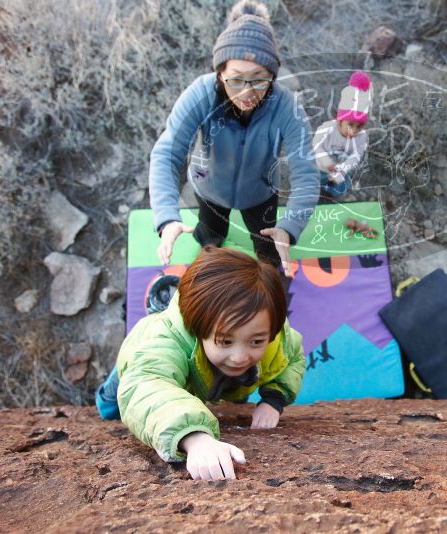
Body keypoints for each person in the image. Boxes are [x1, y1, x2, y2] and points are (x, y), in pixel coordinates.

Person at [96, 246, 305, 481]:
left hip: (204, 373)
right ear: (198, 329)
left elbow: (293, 357)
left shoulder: (276, 336)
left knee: (233, 387)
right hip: (140, 358)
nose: (240, 356)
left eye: (256, 341)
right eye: (225, 341)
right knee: (109, 408)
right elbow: (146, 384)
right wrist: (194, 438)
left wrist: (273, 400)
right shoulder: (165, 341)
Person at [150, 0, 320, 277]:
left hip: (261, 193)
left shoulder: (285, 105)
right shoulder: (201, 94)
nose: (247, 92)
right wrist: (167, 218)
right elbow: (167, 153)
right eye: (236, 79)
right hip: (209, 188)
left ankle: (269, 270)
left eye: (259, 80)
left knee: (267, 246)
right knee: (210, 234)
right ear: (220, 73)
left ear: (272, 77)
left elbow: (306, 171)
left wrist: (289, 227)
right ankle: (211, 257)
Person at [312, 71, 372, 198]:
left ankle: (331, 196)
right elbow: (316, 145)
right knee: (313, 186)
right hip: (320, 167)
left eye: (359, 126)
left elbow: (356, 156)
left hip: (340, 171)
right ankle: (317, 195)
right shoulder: (328, 128)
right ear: (340, 121)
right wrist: (327, 162)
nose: (354, 130)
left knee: (340, 190)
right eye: (350, 125)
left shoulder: (362, 137)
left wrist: (342, 169)